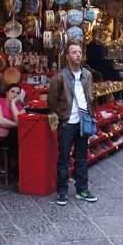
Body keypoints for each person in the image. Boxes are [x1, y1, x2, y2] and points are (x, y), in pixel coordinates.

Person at [48, 42, 98, 206]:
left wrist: (91, 115)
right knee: (63, 158)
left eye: (79, 52)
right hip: (68, 122)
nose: (77, 55)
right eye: (74, 52)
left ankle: (82, 189)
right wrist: (62, 116)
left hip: (84, 122)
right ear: (68, 56)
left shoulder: (87, 75)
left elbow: (90, 96)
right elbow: (52, 101)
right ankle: (62, 191)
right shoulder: (60, 77)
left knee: (82, 158)